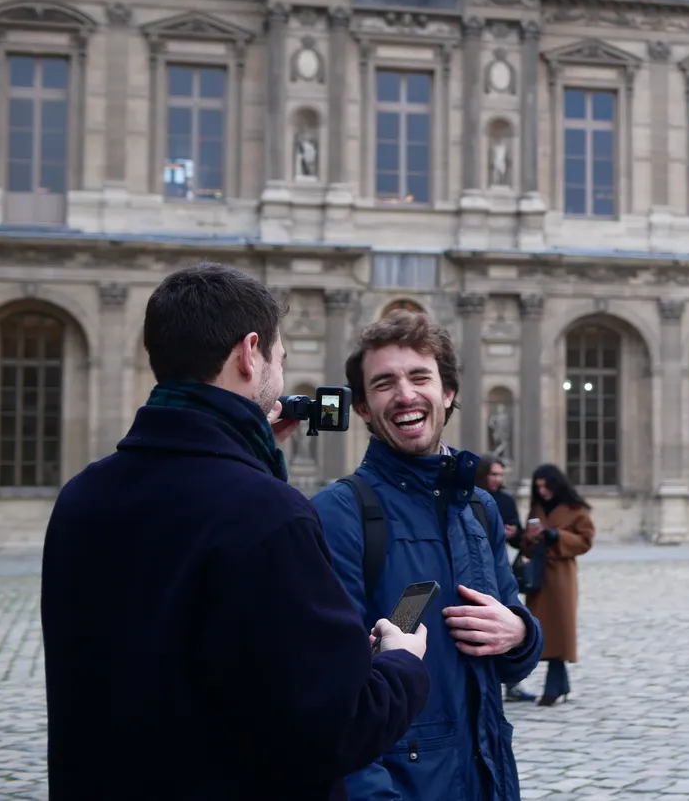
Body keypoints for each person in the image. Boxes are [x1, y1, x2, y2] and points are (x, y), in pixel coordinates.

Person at [40, 263, 431, 801]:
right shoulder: (269, 514)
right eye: (279, 358)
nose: (278, 373)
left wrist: (250, 458)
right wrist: (403, 663)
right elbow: (338, 726)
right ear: (250, 353)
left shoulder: (81, 495)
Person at [312, 310, 542, 801]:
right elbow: (331, 702)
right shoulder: (338, 514)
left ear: (449, 393)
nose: (406, 394)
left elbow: (512, 660)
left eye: (420, 377)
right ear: (364, 410)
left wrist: (521, 633)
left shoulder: (477, 509)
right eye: (384, 383)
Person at [522, 464, 595, 706]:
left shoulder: (576, 509)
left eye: (546, 486)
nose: (542, 491)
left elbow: (586, 541)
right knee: (541, 630)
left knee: (560, 632)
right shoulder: (537, 507)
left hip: (561, 576)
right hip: (539, 576)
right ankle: (560, 685)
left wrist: (558, 536)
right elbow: (525, 545)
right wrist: (529, 538)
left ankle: (552, 689)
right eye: (538, 486)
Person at [476, 454, 537, 703]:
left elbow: (516, 538)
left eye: (500, 475)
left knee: (508, 621)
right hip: (474, 567)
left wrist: (514, 533)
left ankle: (512, 682)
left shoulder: (505, 500)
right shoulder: (470, 497)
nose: (498, 479)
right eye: (493, 474)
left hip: (498, 568)